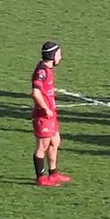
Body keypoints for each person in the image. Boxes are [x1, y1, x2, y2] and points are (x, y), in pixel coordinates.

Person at [32, 41, 70, 187]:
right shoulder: (42, 71)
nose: (61, 57)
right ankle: (41, 178)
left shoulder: (48, 70)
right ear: (52, 55)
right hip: (43, 115)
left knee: (55, 142)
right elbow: (35, 93)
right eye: (59, 54)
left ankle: (53, 174)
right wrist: (46, 108)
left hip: (51, 114)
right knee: (43, 146)